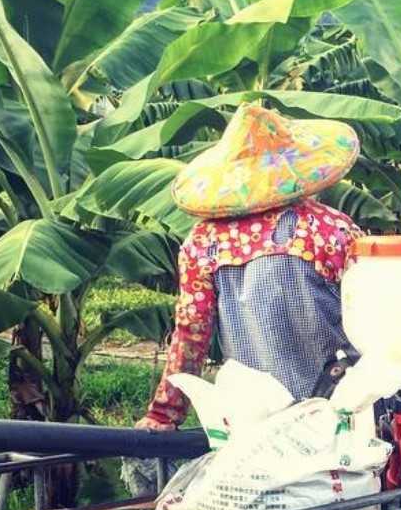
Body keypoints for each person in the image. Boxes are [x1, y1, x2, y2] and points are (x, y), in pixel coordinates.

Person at [136, 102, 365, 434]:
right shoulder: (330, 229)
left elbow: (190, 334)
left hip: (250, 423)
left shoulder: (202, 240)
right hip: (333, 415)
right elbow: (367, 322)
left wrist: (164, 413)